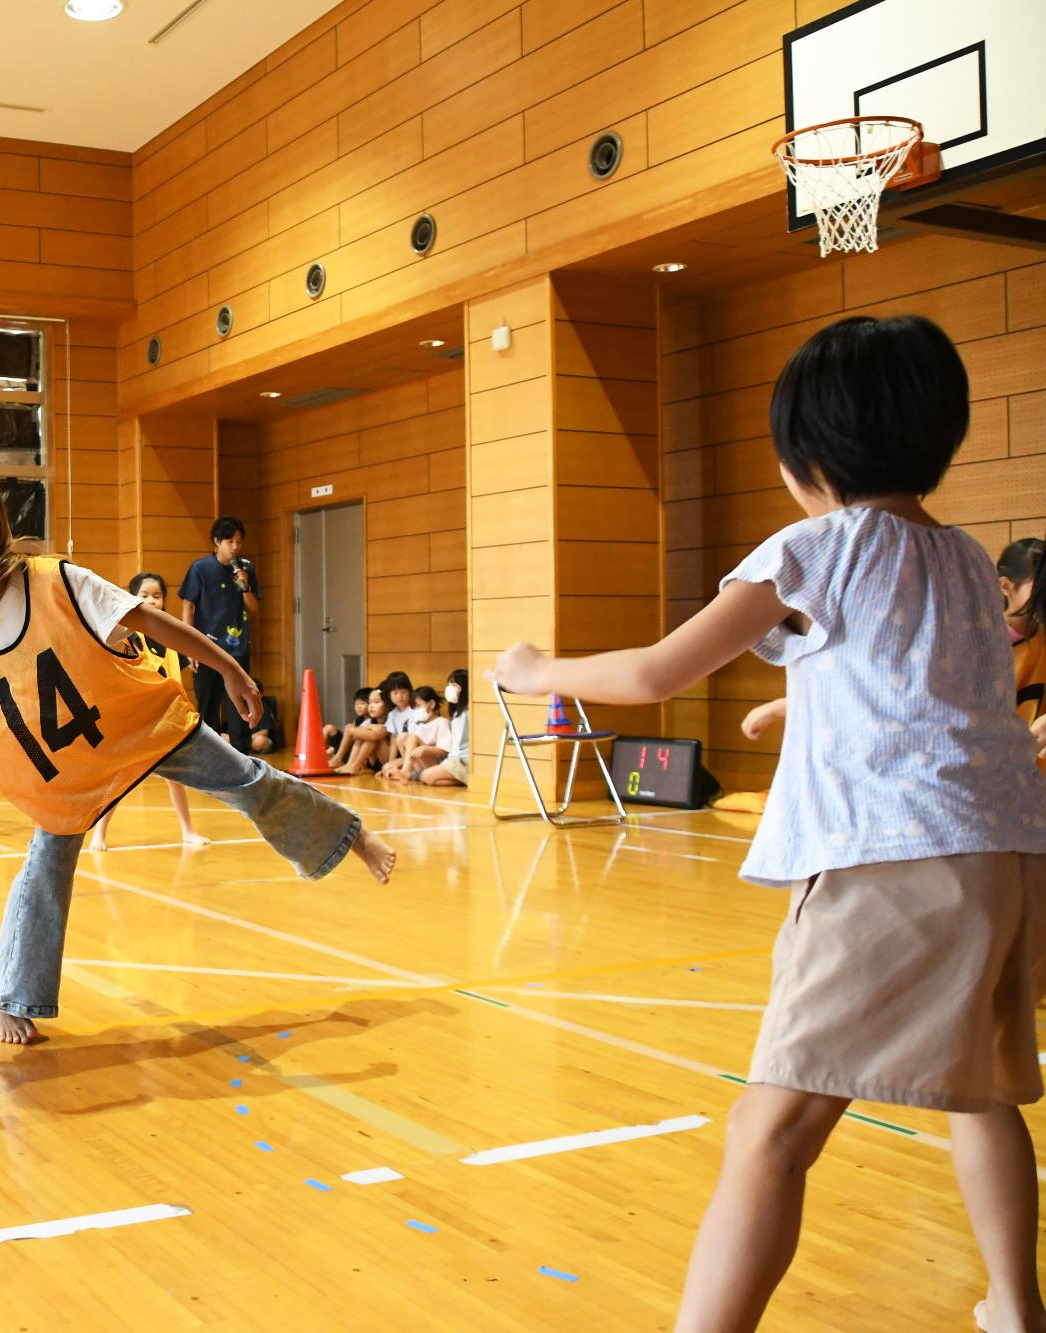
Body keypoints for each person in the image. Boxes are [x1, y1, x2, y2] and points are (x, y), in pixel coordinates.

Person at [491, 315, 1046, 1333]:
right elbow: (933, 691)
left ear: (806, 455)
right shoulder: (966, 557)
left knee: (769, 1129)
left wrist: (534, 672)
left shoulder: (810, 548)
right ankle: (1015, 1304)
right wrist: (792, 703)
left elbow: (655, 672)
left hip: (890, 858)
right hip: (1006, 854)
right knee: (976, 1088)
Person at [0, 474, 397, 1045]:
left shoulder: (56, 580)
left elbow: (152, 621)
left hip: (140, 723)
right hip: (69, 765)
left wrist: (230, 669)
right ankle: (13, 993)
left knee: (249, 780)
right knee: (45, 864)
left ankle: (352, 836)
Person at [88, 572, 210, 853]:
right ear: (131, 599)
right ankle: (100, 832)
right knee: (120, 779)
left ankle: (187, 830)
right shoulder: (130, 637)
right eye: (144, 596)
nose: (152, 601)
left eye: (157, 596)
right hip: (134, 719)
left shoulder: (171, 639)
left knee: (175, 778)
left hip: (166, 718)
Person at [178, 516, 259, 750]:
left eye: (239, 542)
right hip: (206, 648)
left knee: (240, 705)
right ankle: (210, 757)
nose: (235, 547)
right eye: (229, 541)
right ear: (216, 541)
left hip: (237, 649)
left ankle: (243, 757)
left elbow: (253, 608)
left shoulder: (245, 568)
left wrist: (245, 585)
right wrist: (188, 646)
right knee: (208, 705)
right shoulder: (200, 568)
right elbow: (188, 606)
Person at [1000, 539, 1044, 775]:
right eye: (1039, 589)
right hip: (1003, 778)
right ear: (1006, 587)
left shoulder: (1042, 636)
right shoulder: (985, 643)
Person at [334, 671, 412, 775]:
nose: (399, 696)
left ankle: (352, 764)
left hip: (404, 755)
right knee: (366, 735)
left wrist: (389, 764)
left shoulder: (409, 712)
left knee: (371, 735)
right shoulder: (392, 714)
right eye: (369, 702)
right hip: (384, 756)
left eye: (376, 702)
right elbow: (392, 740)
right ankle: (350, 764)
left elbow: (390, 737)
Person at [414, 669, 470, 787]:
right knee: (427, 778)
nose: (450, 688)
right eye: (449, 684)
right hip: (454, 760)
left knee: (425, 776)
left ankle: (465, 778)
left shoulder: (469, 710)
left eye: (454, 685)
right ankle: (463, 780)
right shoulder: (455, 713)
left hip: (463, 761)